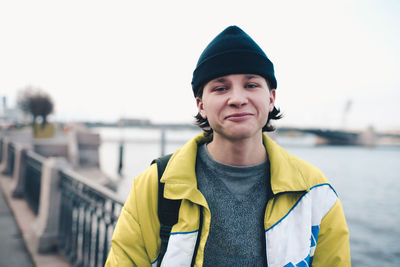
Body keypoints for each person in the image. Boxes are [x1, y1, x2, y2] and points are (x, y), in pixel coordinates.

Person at [105, 25, 350, 266]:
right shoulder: (156, 184)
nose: (237, 99)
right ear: (201, 105)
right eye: (221, 88)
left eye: (251, 85)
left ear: (271, 98)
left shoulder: (315, 191)